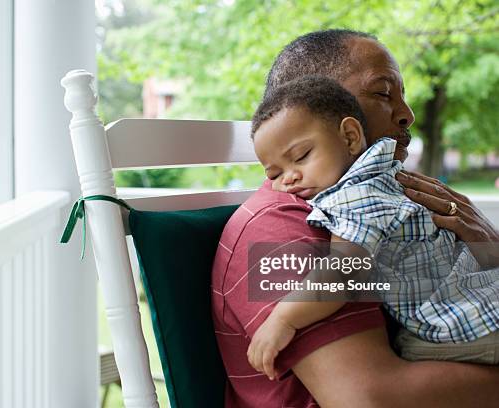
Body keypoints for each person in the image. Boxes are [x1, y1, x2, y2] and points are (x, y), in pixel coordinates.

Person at [211, 29, 499, 408]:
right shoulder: (276, 230)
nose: (407, 114)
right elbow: (373, 400)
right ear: (314, 103)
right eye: (383, 93)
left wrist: (488, 245)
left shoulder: (385, 193)